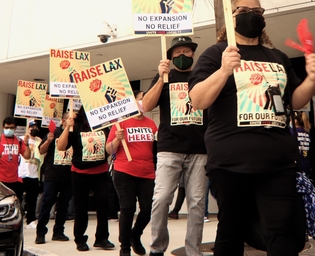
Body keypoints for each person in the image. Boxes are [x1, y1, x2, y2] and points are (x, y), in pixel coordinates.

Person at [188, 0, 315, 256]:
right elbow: (198, 100)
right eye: (244, 10)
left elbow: (295, 100)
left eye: (258, 11)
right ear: (231, 17)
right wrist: (224, 70)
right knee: (231, 231)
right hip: (230, 163)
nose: (252, 15)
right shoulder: (216, 54)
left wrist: (313, 78)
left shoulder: (278, 57)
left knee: (281, 232)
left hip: (278, 162)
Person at [142, 36, 208, 256]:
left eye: (186, 51)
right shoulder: (164, 77)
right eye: (177, 52)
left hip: (200, 150)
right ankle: (157, 248)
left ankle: (192, 251)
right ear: (170, 56)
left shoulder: (202, 76)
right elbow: (147, 105)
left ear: (193, 54)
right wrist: (162, 78)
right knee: (160, 200)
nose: (182, 55)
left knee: (197, 204)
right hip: (169, 149)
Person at [107, 90, 158, 256]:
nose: (144, 102)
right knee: (127, 208)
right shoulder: (120, 124)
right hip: (124, 171)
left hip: (147, 172)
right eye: (142, 99)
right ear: (133, 102)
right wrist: (116, 139)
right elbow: (109, 150)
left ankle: (135, 235)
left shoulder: (151, 124)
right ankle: (125, 247)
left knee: (148, 209)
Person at [59, 107, 115, 252]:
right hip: (79, 173)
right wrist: (68, 127)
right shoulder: (76, 125)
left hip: (100, 172)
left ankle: (102, 238)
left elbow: (110, 147)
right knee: (81, 208)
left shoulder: (104, 125)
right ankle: (80, 238)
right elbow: (61, 146)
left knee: (103, 205)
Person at [35, 114, 72, 245]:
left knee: (64, 205)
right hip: (52, 174)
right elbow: (41, 150)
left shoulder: (76, 133)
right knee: (47, 202)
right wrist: (48, 141)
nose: (72, 121)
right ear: (63, 120)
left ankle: (59, 232)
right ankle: (40, 232)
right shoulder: (54, 132)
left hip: (69, 175)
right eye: (70, 118)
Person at [0, 117, 31, 202]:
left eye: (11, 128)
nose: (9, 129)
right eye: (6, 127)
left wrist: (26, 143)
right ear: (3, 127)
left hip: (14, 180)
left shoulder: (19, 141)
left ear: (15, 128)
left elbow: (27, 156)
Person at [19, 120, 44, 228]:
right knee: (19, 198)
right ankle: (19, 219)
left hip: (34, 173)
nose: (34, 129)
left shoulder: (39, 140)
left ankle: (31, 220)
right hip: (21, 172)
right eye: (32, 127)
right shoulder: (21, 139)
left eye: (36, 127)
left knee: (32, 198)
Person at [291, 111, 312, 176]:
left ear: (295, 121)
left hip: (295, 165)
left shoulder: (292, 132)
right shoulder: (307, 134)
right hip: (306, 164)